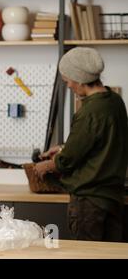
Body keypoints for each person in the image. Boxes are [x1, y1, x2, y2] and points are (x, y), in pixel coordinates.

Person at [33, 47, 128, 242]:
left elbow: (68, 160)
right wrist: (61, 148)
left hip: (89, 201)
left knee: (87, 254)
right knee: (112, 256)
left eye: (67, 81)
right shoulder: (115, 102)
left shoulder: (89, 111)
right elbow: (100, 142)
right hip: (113, 197)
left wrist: (45, 165)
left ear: (79, 79)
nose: (68, 86)